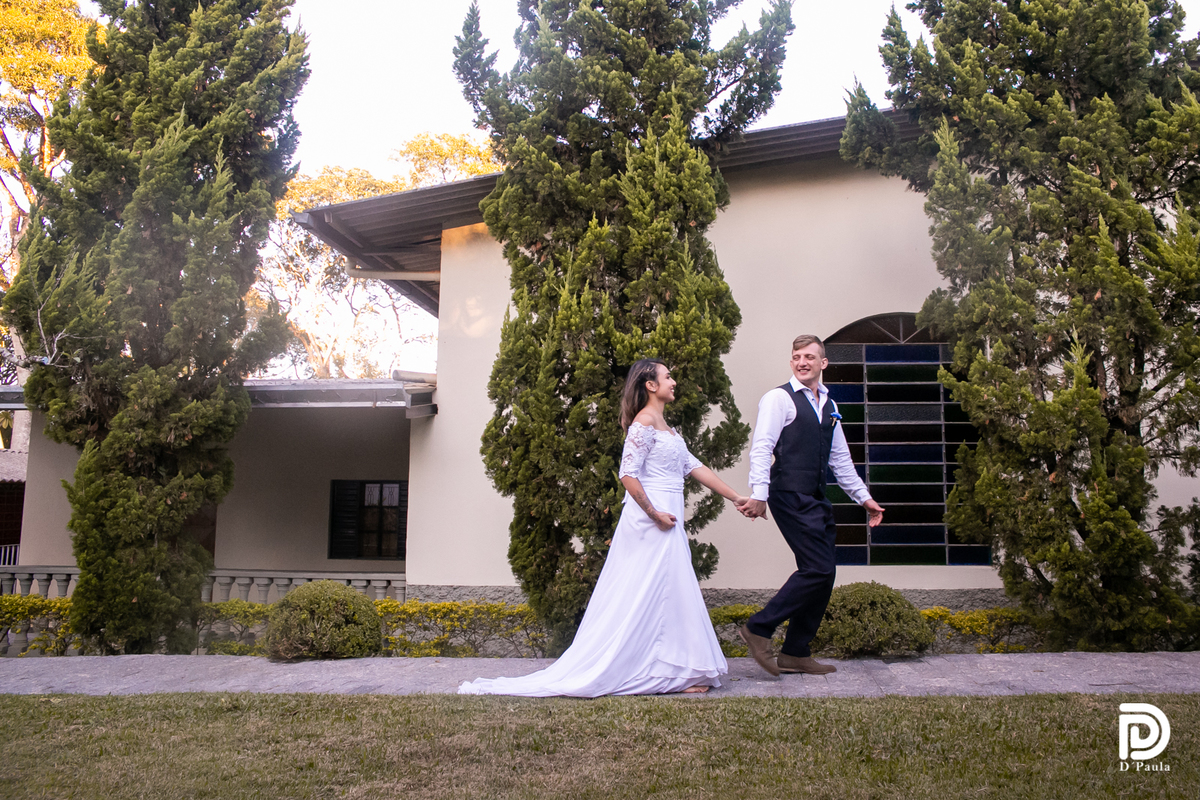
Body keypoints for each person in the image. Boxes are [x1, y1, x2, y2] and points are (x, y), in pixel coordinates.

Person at [458, 358, 747, 696]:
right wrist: (654, 514)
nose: (674, 382)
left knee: (669, 591)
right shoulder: (643, 424)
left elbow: (695, 466)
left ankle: (675, 669)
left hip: (668, 517)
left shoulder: (666, 427)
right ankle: (656, 669)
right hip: (651, 521)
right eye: (668, 377)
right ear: (650, 385)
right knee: (648, 592)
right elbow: (628, 474)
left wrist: (736, 497)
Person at [735, 334, 885, 676]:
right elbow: (761, 448)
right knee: (817, 567)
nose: (802, 362)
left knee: (824, 572)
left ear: (823, 363)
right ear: (791, 362)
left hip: (816, 496)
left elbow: (841, 461)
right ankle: (759, 627)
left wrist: (865, 499)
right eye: (796, 357)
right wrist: (760, 494)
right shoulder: (779, 399)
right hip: (788, 492)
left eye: (809, 357)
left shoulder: (830, 406)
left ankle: (796, 652)